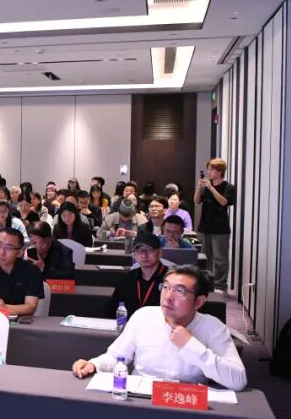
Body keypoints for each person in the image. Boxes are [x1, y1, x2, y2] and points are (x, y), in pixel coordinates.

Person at [72, 266, 246, 391]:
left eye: (180, 291)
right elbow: (116, 356)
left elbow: (238, 380)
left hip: (186, 401)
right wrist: (93, 364)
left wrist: (192, 346)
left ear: (199, 302)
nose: (168, 296)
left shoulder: (213, 327)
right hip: (141, 397)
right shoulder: (144, 316)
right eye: (166, 287)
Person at [194, 157, 235, 290]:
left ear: (220, 171)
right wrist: (199, 188)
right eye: (208, 170)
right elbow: (196, 201)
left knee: (220, 258)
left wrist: (211, 188)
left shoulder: (228, 187)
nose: (209, 172)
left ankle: (220, 285)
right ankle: (206, 282)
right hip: (205, 226)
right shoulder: (206, 186)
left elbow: (224, 202)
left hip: (220, 228)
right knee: (205, 257)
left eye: (211, 170)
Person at [106, 232, 168, 317]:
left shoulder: (172, 279)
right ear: (134, 255)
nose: (144, 255)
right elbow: (110, 311)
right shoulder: (127, 279)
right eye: (139, 251)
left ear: (160, 252)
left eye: (149, 249)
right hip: (130, 324)